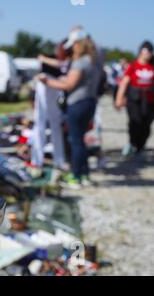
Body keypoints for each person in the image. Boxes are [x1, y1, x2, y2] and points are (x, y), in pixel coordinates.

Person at [38, 29, 100, 189]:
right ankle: (85, 174)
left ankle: (76, 176)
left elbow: (69, 85)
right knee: (81, 139)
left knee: (75, 140)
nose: (71, 49)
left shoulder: (81, 61)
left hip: (77, 103)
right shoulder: (95, 60)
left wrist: (48, 82)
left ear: (79, 44)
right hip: (90, 102)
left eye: (73, 45)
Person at [30, 40, 70, 179]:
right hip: (51, 86)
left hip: (49, 85)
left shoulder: (59, 64)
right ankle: (50, 160)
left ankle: (41, 160)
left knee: (42, 125)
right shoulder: (61, 64)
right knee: (47, 125)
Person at [115, 41, 154, 157]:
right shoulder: (133, 66)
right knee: (134, 123)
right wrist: (119, 98)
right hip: (134, 100)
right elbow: (124, 83)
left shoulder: (152, 66)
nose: (149, 54)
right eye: (147, 51)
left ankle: (140, 147)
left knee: (146, 126)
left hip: (150, 101)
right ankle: (132, 143)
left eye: (150, 52)